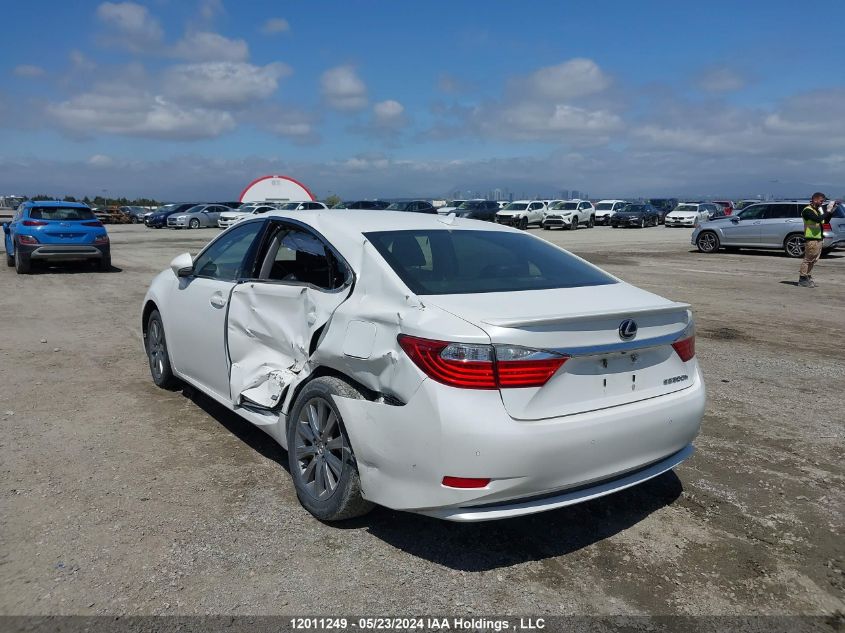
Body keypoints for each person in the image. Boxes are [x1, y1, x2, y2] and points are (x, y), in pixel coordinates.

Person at [799, 192, 837, 288]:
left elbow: (825, 221)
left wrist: (831, 211)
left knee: (813, 260)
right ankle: (802, 278)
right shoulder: (807, 210)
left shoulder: (816, 210)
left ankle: (808, 276)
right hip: (811, 239)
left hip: (818, 238)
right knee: (808, 259)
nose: (822, 203)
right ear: (815, 199)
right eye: (821, 201)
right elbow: (817, 219)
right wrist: (827, 211)